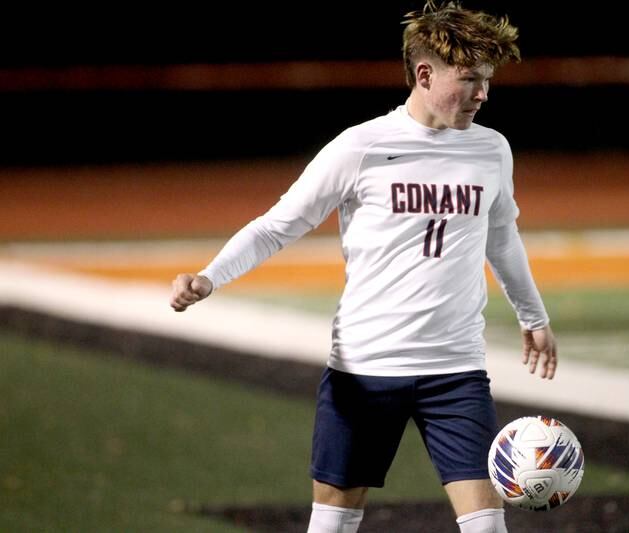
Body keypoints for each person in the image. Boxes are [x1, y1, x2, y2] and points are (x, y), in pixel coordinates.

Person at [170, 1, 557, 531]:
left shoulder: (492, 150)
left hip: (456, 373)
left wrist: (533, 316)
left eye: (487, 81)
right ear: (424, 74)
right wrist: (209, 276)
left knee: (488, 525)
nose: (483, 94)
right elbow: (278, 224)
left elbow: (501, 236)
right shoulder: (361, 147)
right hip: (364, 371)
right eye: (470, 79)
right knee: (332, 524)